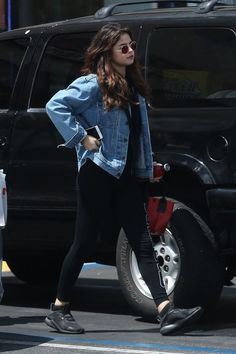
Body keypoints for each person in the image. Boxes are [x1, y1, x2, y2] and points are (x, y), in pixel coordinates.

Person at [45, 22, 203, 336]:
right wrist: (81, 138)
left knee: (142, 242)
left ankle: (165, 311)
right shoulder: (93, 84)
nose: (131, 51)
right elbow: (55, 105)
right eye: (124, 47)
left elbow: (137, 136)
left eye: (131, 45)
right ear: (108, 52)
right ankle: (59, 308)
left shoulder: (131, 87)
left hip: (125, 176)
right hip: (98, 173)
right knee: (84, 242)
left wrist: (146, 169)